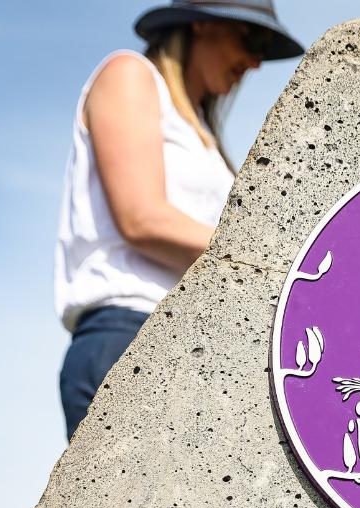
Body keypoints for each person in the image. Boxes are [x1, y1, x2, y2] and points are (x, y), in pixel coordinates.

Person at [54, 0, 303, 439]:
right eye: (253, 39)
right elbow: (141, 218)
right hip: (128, 337)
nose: (256, 62)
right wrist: (275, 259)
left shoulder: (202, 133)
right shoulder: (128, 74)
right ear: (202, 25)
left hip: (191, 343)